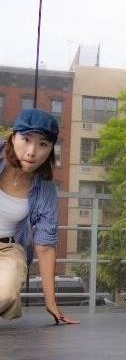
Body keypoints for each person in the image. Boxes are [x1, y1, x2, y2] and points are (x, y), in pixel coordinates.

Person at [0, 109, 78, 324]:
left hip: (7, 250)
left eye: (43, 144)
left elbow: (45, 246)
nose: (32, 152)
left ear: (51, 149)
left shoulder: (45, 190)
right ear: (13, 137)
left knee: (5, 295)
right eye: (26, 140)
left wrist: (51, 302)